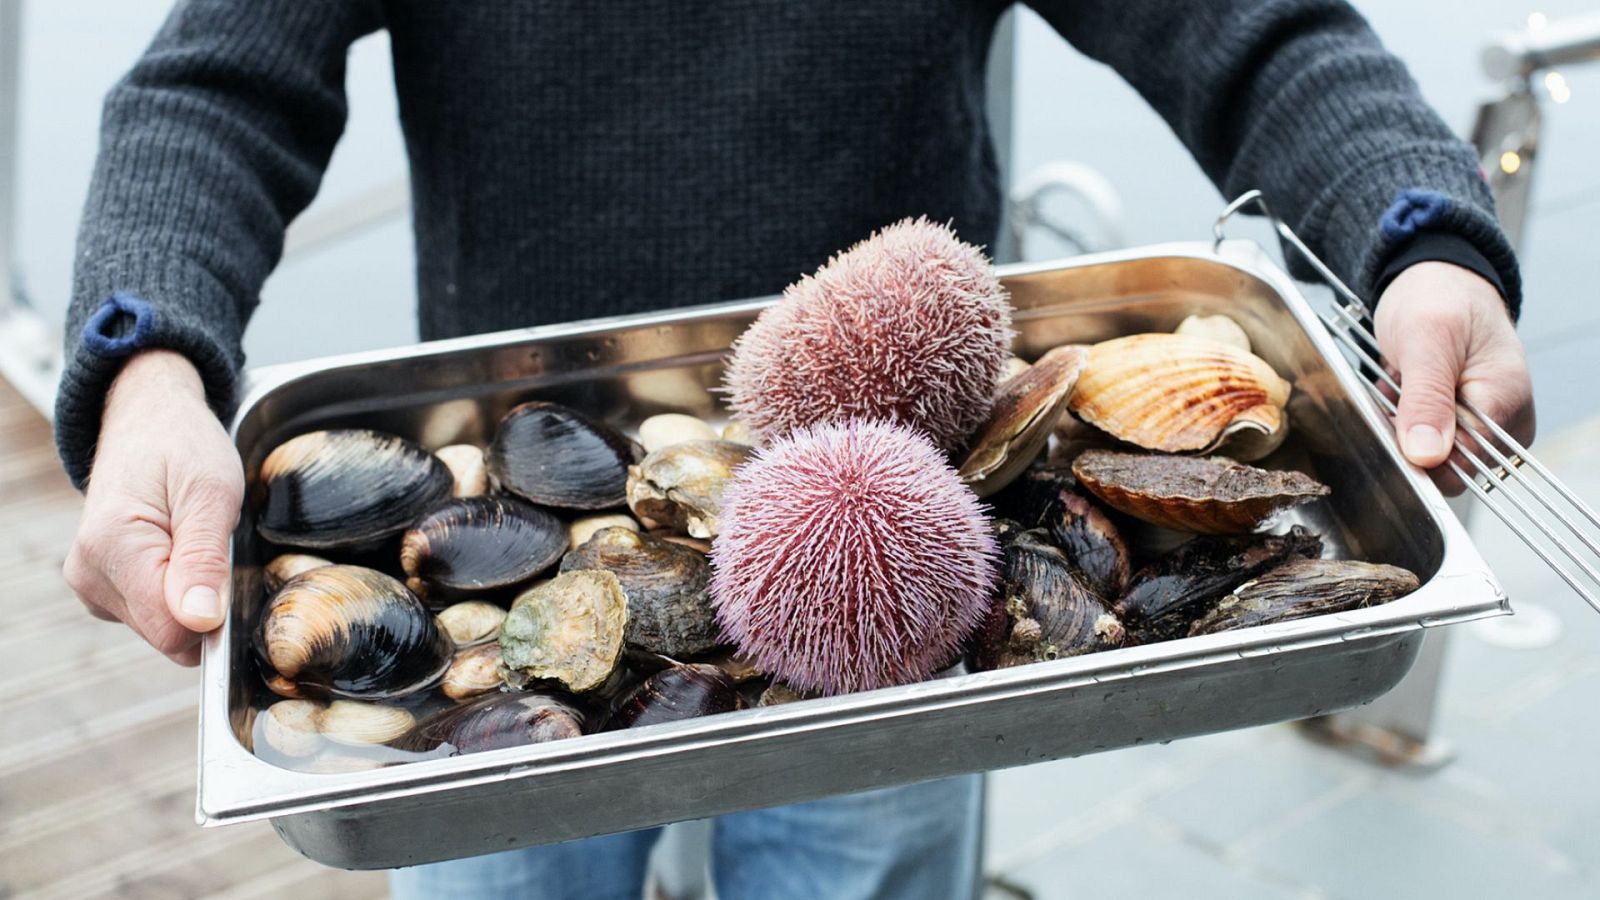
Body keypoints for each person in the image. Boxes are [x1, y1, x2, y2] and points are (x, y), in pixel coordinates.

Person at [57, 1, 1535, 898]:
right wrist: (149, 368)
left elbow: (1254, 24)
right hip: (525, 522)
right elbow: (214, 81)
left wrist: (1417, 234)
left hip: (918, 548)